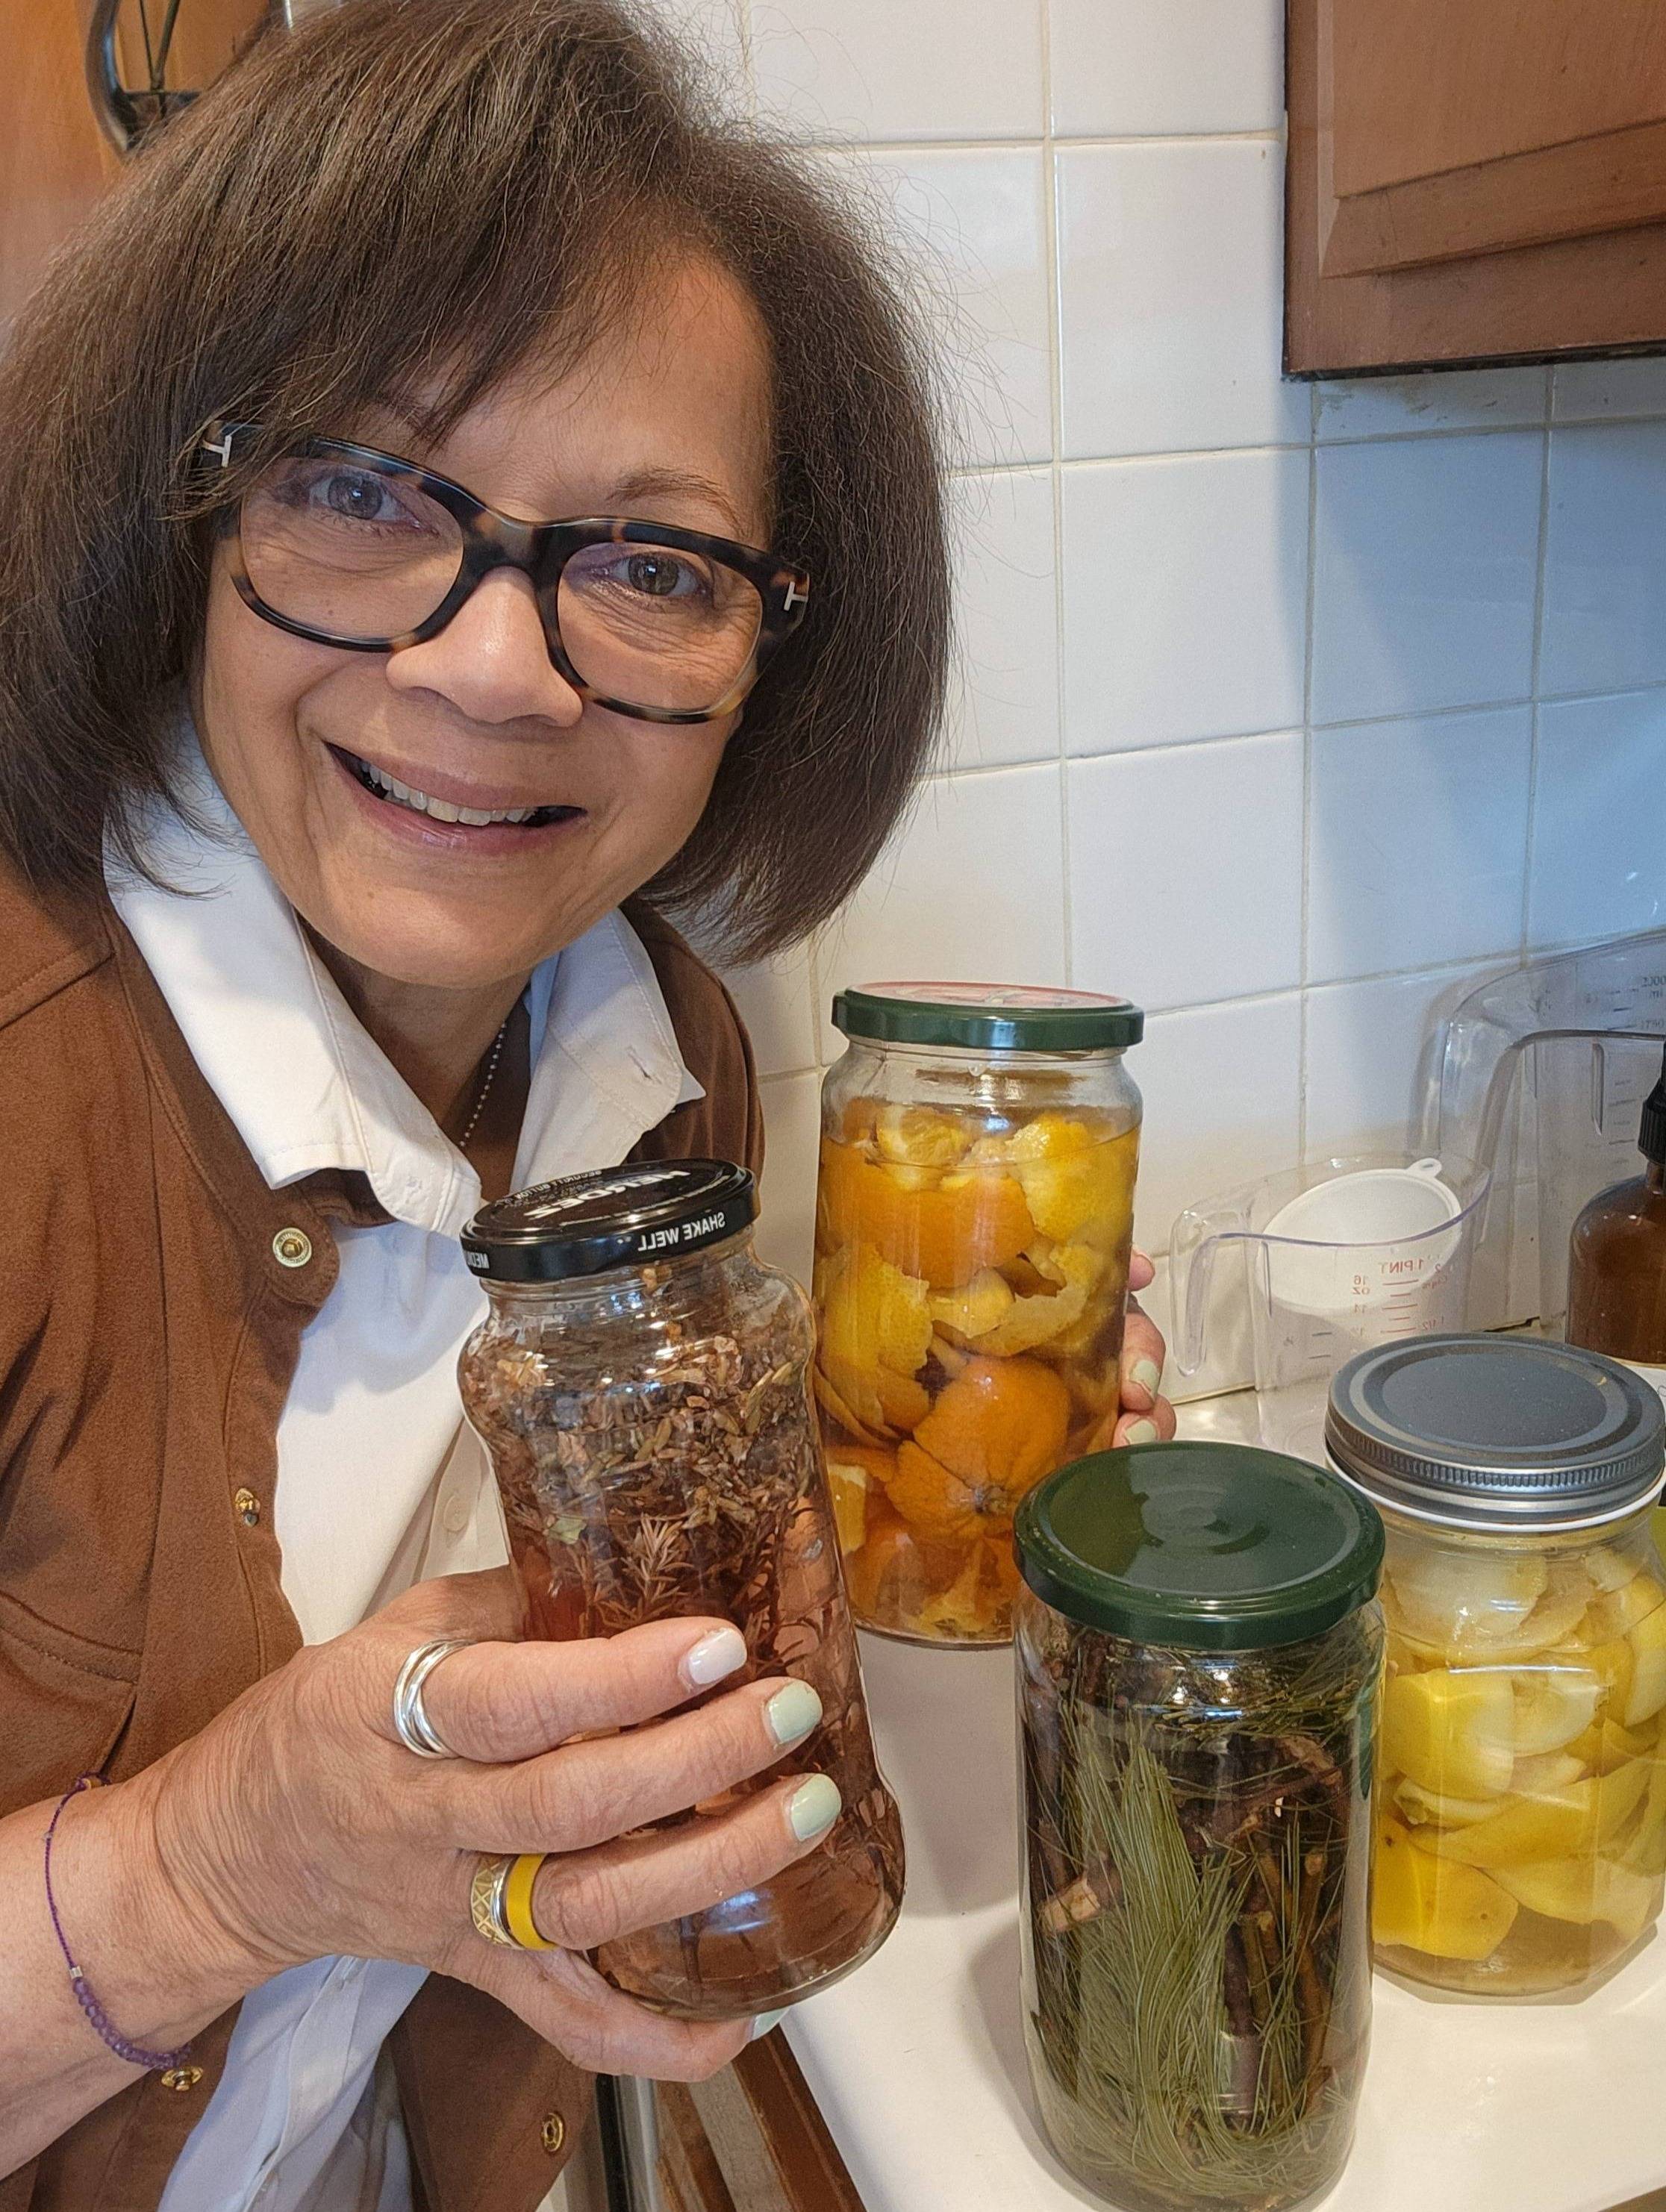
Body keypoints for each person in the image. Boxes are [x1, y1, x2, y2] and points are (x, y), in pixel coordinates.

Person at [0, 3, 1175, 2206]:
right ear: (186, 495)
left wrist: (923, 1456)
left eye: (648, 560)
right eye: (361, 488)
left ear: (770, 648)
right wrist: (225, 1861)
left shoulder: (663, 1062)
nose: (491, 669)